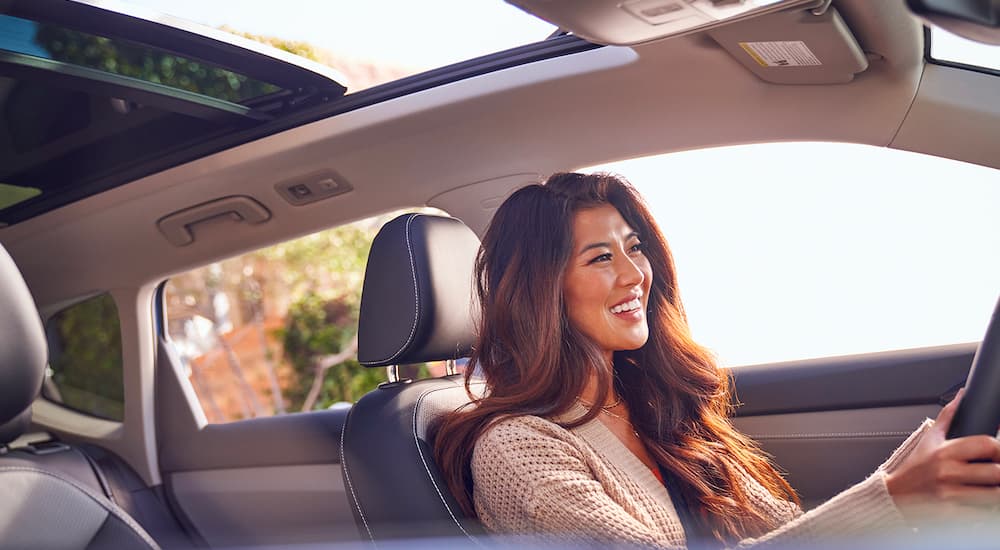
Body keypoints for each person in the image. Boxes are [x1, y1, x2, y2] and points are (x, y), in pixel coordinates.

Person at [433, 172, 1000, 548]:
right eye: (601, 257)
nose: (635, 274)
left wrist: (931, 455)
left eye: (634, 247)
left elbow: (785, 532)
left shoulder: (651, 407)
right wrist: (898, 498)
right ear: (542, 290)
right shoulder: (516, 449)